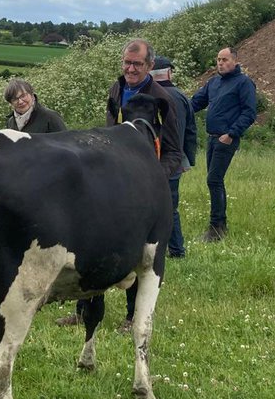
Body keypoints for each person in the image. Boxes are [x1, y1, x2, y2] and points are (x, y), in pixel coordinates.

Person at [57, 38, 183, 330]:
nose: (130, 69)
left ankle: (131, 316)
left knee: (136, 249)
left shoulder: (164, 98)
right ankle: (84, 309)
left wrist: (152, 178)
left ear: (150, 65)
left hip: (143, 186)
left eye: (137, 64)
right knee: (93, 241)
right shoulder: (117, 89)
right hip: (112, 179)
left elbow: (174, 150)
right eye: (127, 62)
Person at [191, 47, 258, 242]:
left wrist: (231, 133)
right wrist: (175, 107)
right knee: (213, 180)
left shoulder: (243, 83)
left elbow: (249, 113)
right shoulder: (214, 82)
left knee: (214, 180)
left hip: (226, 139)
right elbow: (196, 103)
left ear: (235, 61)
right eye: (218, 60)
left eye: (225, 59)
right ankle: (219, 225)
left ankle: (217, 228)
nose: (220, 63)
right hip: (212, 138)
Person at [150, 57, 197, 258]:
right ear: (169, 73)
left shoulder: (146, 96)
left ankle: (174, 250)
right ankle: (175, 249)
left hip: (149, 162)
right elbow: (190, 130)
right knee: (170, 207)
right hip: (175, 163)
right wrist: (188, 160)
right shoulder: (181, 96)